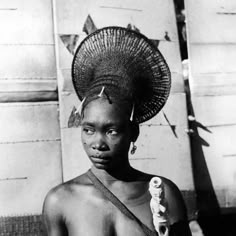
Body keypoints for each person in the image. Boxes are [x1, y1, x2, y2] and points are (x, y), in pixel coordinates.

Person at [43, 26, 192, 236]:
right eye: (88, 130)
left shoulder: (162, 193)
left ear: (133, 132)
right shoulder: (60, 201)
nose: (98, 144)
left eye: (111, 131)